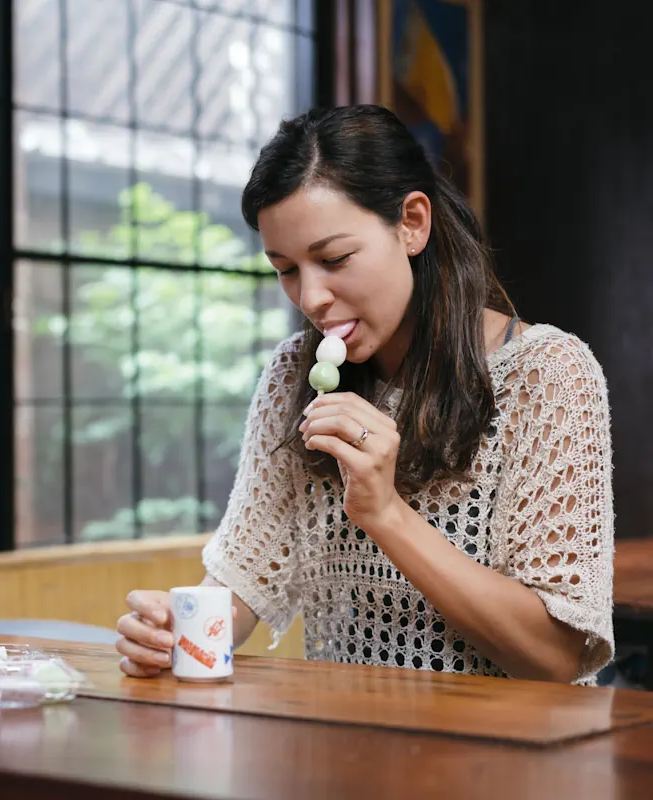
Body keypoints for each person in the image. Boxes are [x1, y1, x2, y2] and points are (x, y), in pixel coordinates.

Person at [116, 105, 614, 685]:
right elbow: (243, 580)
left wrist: (385, 514)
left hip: (507, 760)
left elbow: (556, 657)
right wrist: (174, 630)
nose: (312, 297)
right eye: (286, 269)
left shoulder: (547, 374)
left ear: (412, 223)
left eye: (333, 259)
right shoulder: (290, 378)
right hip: (346, 750)